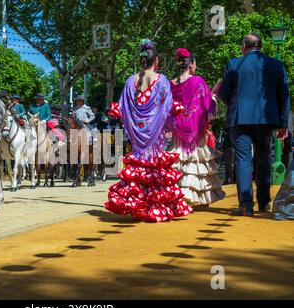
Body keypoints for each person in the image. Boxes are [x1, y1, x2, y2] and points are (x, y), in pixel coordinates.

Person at [104, 39, 192, 223]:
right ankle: (154, 208)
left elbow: (122, 108)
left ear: (141, 60)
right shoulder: (161, 81)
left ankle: (137, 205)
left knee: (138, 168)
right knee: (154, 168)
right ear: (157, 61)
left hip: (136, 134)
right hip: (154, 134)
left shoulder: (130, 81)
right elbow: (168, 106)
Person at [217, 33, 290, 216]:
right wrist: (283, 123)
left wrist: (234, 104)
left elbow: (223, 93)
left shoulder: (234, 64)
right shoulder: (275, 65)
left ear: (244, 46)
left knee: (242, 158)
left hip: (240, 117)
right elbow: (284, 95)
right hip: (266, 119)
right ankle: (264, 203)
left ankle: (246, 204)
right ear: (260, 46)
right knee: (264, 157)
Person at [169, 48, 225, 207]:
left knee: (179, 156)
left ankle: (178, 193)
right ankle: (195, 197)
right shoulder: (198, 81)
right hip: (195, 127)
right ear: (191, 65)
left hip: (177, 126)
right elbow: (208, 104)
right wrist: (215, 93)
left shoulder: (171, 83)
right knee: (196, 159)